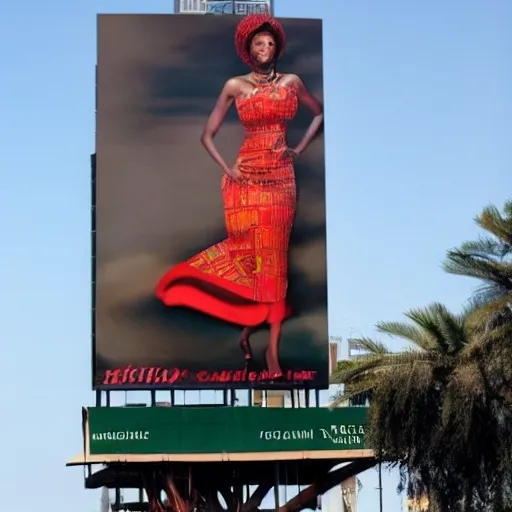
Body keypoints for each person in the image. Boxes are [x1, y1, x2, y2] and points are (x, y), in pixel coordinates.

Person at [155, 11, 323, 380]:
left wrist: (300, 148)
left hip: (281, 180)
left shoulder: (293, 82)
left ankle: (272, 353)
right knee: (252, 258)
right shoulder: (235, 85)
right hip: (247, 183)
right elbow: (207, 135)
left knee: (275, 262)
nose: (265, 48)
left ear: (277, 47)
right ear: (249, 51)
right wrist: (228, 170)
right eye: (258, 44)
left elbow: (318, 114)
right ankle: (248, 330)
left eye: (270, 42)